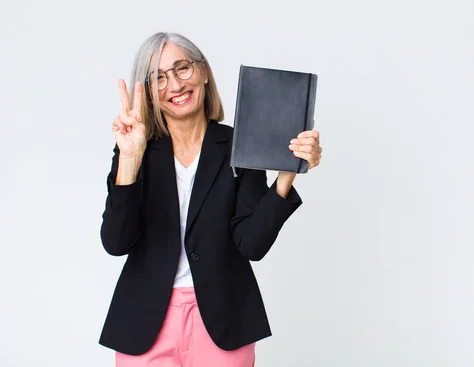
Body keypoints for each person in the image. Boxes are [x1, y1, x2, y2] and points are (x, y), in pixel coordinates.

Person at [98, 32, 322, 367]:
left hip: (223, 320)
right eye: (159, 77)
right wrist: (129, 158)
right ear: (148, 92)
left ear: (203, 72)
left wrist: (288, 171)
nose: (174, 85)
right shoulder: (136, 148)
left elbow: (251, 245)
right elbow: (116, 242)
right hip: (145, 322)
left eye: (182, 69)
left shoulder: (239, 146)